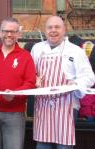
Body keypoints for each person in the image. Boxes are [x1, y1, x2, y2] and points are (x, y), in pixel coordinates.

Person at [30, 16, 95, 149]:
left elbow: (89, 77)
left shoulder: (75, 51)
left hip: (67, 107)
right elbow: (29, 73)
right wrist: (33, 79)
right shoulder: (37, 49)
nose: (53, 30)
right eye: (50, 27)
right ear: (45, 30)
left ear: (64, 30)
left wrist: (76, 84)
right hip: (43, 107)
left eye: (57, 27)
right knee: (42, 145)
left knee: (64, 146)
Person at [0, 17, 36, 149]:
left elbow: (30, 83)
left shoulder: (25, 56)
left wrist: (15, 94)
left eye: (13, 32)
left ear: (18, 34)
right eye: (6, 31)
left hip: (15, 114)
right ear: (0, 33)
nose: (9, 34)